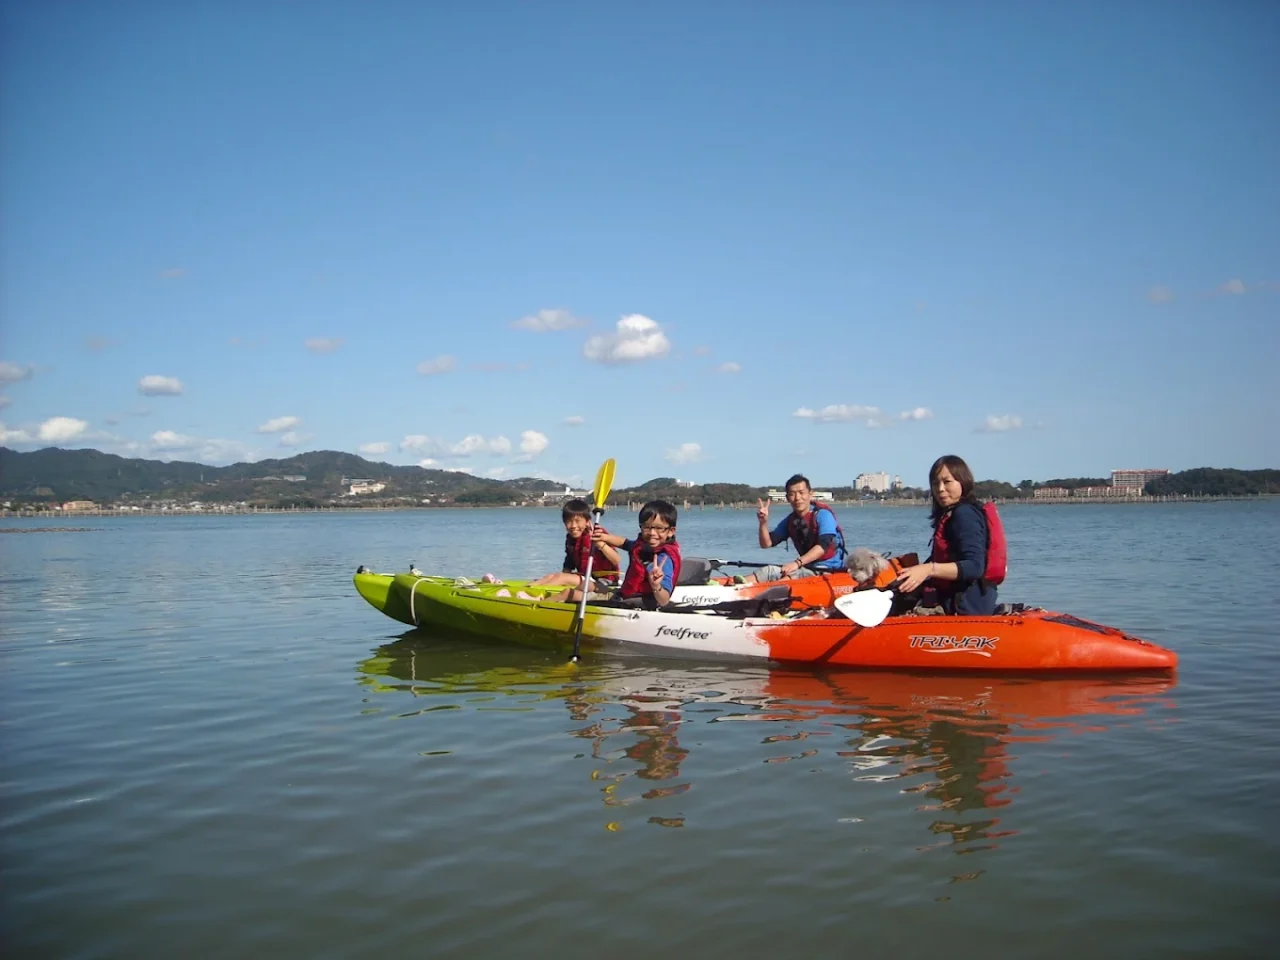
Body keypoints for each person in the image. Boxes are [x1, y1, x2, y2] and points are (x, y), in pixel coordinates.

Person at [894, 455, 1002, 615]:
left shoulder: (965, 514)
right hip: (952, 600)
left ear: (962, 482)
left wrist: (928, 569)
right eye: (935, 483)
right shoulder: (952, 513)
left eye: (947, 482)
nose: (940, 489)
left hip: (966, 608)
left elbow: (974, 566)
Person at [749, 474, 848, 583]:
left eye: (801, 493)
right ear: (787, 498)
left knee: (794, 575)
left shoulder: (823, 515)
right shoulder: (790, 521)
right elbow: (766, 544)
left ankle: (766, 592)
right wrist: (763, 523)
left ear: (810, 494)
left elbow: (823, 546)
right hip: (805, 567)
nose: (797, 498)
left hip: (828, 570)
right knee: (767, 572)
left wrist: (797, 563)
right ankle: (734, 586)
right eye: (792, 494)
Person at [591, 499, 682, 609]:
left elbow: (664, 600)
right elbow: (625, 543)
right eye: (647, 527)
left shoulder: (663, 559)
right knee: (588, 587)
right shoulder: (643, 546)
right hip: (627, 595)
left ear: (671, 531)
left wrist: (656, 585)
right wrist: (604, 537)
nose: (652, 533)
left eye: (659, 528)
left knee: (578, 595)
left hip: (642, 603)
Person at [531, 498, 621, 590]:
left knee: (562, 578)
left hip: (604, 581)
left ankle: (537, 595)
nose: (573, 526)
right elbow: (569, 561)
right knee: (551, 576)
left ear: (587, 522)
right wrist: (560, 575)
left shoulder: (598, 534)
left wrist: (599, 543)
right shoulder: (570, 538)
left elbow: (616, 559)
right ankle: (529, 588)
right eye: (569, 521)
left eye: (578, 521)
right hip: (586, 577)